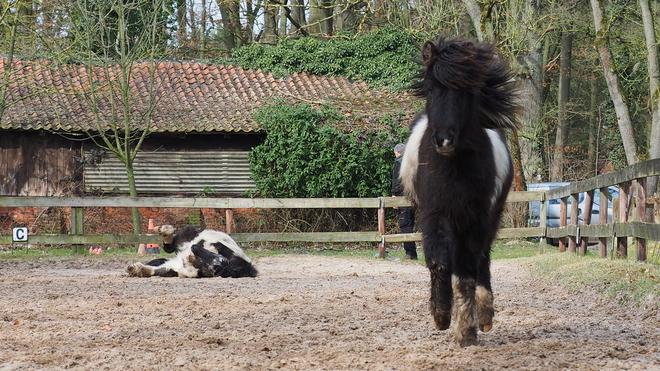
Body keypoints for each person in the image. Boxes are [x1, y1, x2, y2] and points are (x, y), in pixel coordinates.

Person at [391, 143, 417, 260]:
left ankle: (410, 253)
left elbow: (397, 180)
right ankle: (412, 252)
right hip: (414, 197)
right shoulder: (414, 161)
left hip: (403, 197)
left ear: (398, 152)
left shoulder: (399, 162)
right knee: (411, 222)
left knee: (405, 223)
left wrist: (394, 196)